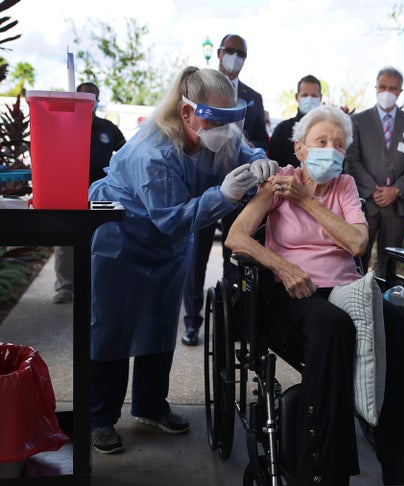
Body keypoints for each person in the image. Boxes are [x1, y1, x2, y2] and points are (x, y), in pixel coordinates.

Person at [224, 105, 404, 486]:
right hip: (293, 292)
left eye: (338, 144)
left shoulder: (344, 187)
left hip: (346, 290)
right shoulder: (279, 183)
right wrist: (283, 267)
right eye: (321, 142)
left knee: (396, 327)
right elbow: (236, 237)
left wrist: (307, 201)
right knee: (331, 325)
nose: (331, 150)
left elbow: (358, 243)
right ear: (301, 149)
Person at [88, 66, 277, 454]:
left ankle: (151, 406)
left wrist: (259, 160)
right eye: (216, 119)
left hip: (168, 249)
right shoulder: (151, 151)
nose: (224, 130)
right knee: (111, 330)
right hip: (121, 242)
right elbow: (172, 219)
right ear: (187, 113)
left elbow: (245, 149)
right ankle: (99, 418)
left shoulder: (217, 136)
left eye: (230, 119)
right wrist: (223, 196)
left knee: (159, 325)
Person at [180, 32, 270, 347]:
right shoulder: (200, 88)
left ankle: (233, 319)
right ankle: (192, 322)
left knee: (237, 258)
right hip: (203, 190)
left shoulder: (253, 97)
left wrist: (256, 159)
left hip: (241, 191)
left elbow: (260, 139)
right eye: (230, 51)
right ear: (219, 53)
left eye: (240, 53)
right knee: (196, 258)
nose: (234, 57)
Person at [346, 66, 404, 276]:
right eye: (382, 87)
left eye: (392, 88)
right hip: (365, 202)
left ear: (400, 91)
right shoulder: (357, 122)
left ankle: (385, 305)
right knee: (356, 259)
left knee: (389, 263)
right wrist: (373, 189)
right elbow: (352, 159)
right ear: (375, 88)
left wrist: (395, 190)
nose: (387, 92)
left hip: (398, 205)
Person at [52, 82, 126, 304]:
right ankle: (65, 287)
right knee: (65, 242)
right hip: (69, 192)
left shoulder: (108, 128)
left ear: (97, 101)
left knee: (98, 242)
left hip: (100, 195)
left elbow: (125, 154)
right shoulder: (65, 124)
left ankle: (93, 286)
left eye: (93, 99)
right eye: (84, 98)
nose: (89, 103)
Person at [268, 74, 323, 168]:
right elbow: (274, 165)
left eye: (313, 96)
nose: (309, 99)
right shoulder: (283, 129)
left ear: (320, 98)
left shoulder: (328, 130)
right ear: (297, 97)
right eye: (305, 95)